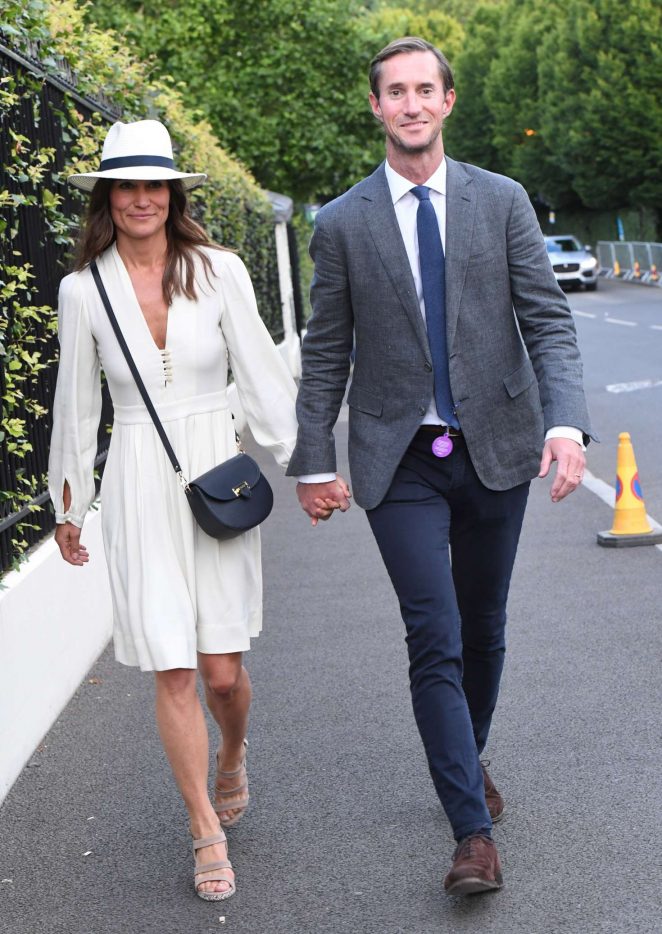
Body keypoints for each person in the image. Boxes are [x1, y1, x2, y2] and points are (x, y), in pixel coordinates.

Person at [287, 37, 593, 895]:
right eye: (396, 92)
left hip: (497, 445)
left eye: (426, 89)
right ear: (377, 107)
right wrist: (314, 461)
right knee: (435, 636)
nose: (412, 104)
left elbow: (547, 320)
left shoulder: (501, 201)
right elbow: (325, 354)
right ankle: (471, 832)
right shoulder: (342, 222)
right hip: (400, 458)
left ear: (447, 101)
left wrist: (567, 424)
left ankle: (469, 753)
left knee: (484, 627)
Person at [48, 119, 298, 901]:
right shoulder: (82, 290)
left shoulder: (219, 270)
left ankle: (231, 755)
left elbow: (258, 369)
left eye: (155, 184)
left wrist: (304, 463)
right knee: (174, 664)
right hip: (133, 479)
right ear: (108, 199)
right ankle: (203, 828)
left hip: (213, 467)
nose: (142, 199)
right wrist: (69, 503)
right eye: (127, 186)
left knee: (223, 673)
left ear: (172, 194)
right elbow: (74, 405)